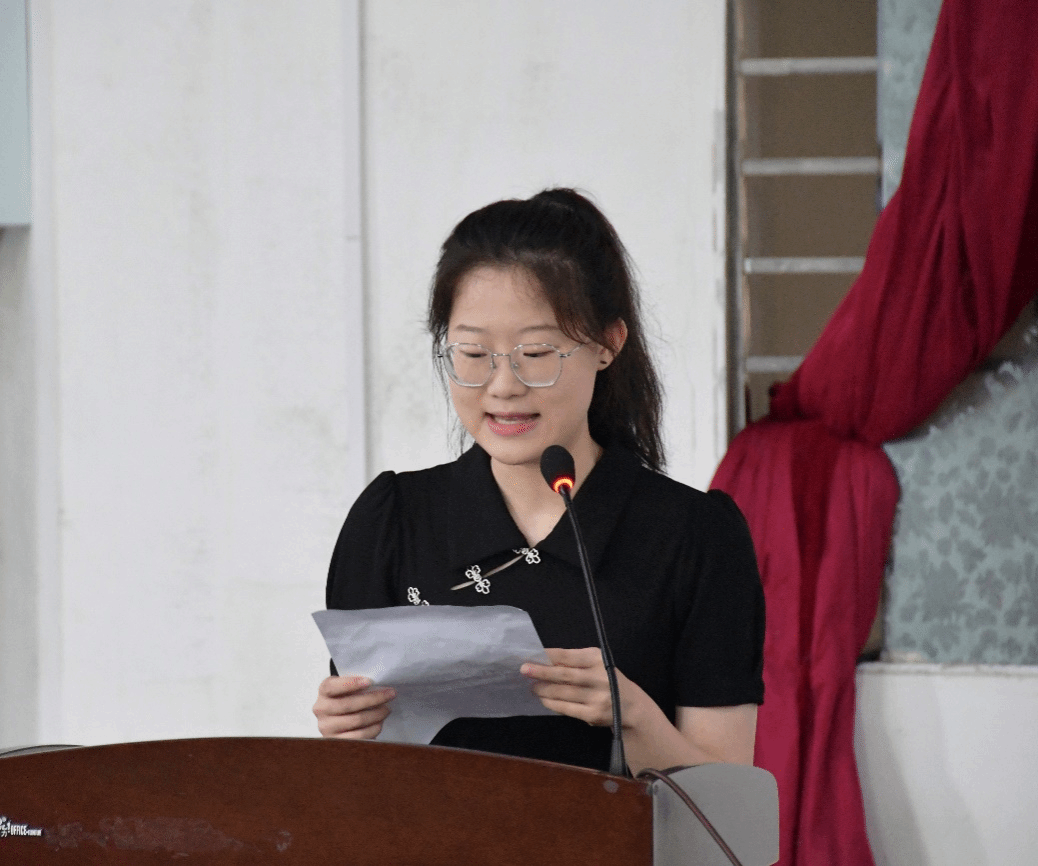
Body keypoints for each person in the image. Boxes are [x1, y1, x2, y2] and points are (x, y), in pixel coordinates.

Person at [312, 188, 765, 775]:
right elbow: (361, 779)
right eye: (473, 353)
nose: (503, 385)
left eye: (537, 352)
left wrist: (634, 718)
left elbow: (727, 807)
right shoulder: (392, 521)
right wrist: (347, 731)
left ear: (608, 344)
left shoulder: (696, 537)